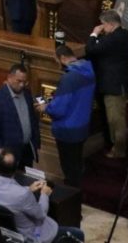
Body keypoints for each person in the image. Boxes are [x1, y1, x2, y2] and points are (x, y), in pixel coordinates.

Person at [0, 148, 85, 242]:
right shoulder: (23, 194)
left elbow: (8, 195)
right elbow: (41, 215)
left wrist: (28, 189)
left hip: (4, 231)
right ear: (15, 168)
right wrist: (44, 194)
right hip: (32, 235)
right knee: (78, 233)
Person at [85, 9, 128, 159]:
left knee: (115, 119)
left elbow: (91, 49)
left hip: (115, 86)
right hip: (118, 83)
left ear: (111, 24)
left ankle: (119, 149)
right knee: (115, 118)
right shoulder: (124, 34)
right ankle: (118, 144)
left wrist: (94, 33)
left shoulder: (115, 38)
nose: (102, 28)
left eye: (103, 25)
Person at [42, 45, 95, 188]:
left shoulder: (69, 78)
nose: (57, 65)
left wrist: (46, 107)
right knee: (77, 162)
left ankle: (71, 193)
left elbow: (59, 109)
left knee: (69, 168)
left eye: (57, 61)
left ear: (63, 58)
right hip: (83, 125)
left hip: (67, 130)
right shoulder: (89, 70)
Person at [0, 64, 40, 167]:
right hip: (7, 153)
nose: (22, 85)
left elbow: (32, 119)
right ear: (9, 78)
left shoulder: (27, 94)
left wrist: (36, 141)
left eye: (25, 82)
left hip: (27, 151)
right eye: (19, 81)